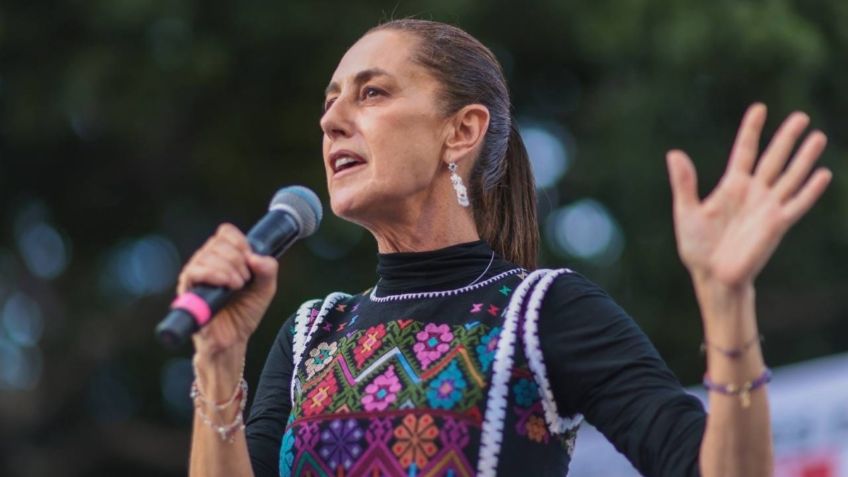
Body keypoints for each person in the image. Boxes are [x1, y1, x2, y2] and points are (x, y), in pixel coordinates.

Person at [182, 19, 832, 477]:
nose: (331, 120)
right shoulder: (308, 336)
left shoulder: (542, 310)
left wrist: (727, 306)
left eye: (371, 92)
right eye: (329, 103)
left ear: (461, 130)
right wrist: (217, 360)